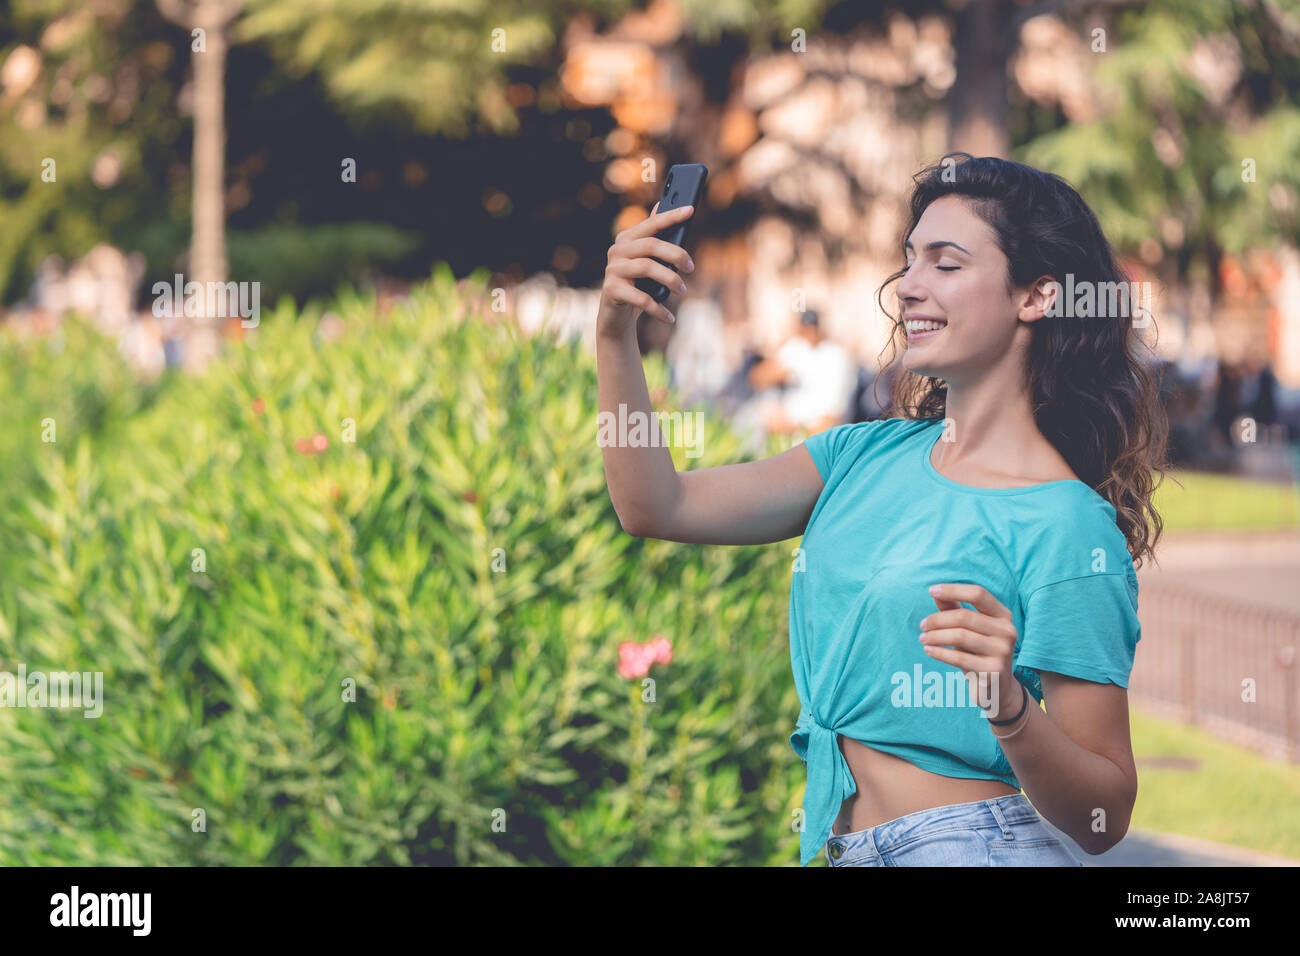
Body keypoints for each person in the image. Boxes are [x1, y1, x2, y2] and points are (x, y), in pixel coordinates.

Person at [594, 153, 1168, 867]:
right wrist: (615, 337)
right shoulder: (858, 457)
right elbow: (657, 503)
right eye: (909, 260)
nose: (909, 288)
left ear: (1037, 296)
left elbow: (1102, 815)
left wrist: (1009, 708)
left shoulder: (1065, 524)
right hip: (841, 847)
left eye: (946, 264)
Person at [744, 310, 856, 436]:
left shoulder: (835, 355)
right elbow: (757, 377)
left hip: (815, 431)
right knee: (755, 412)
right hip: (789, 425)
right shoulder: (796, 347)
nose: (809, 333)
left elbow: (833, 414)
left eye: (811, 328)